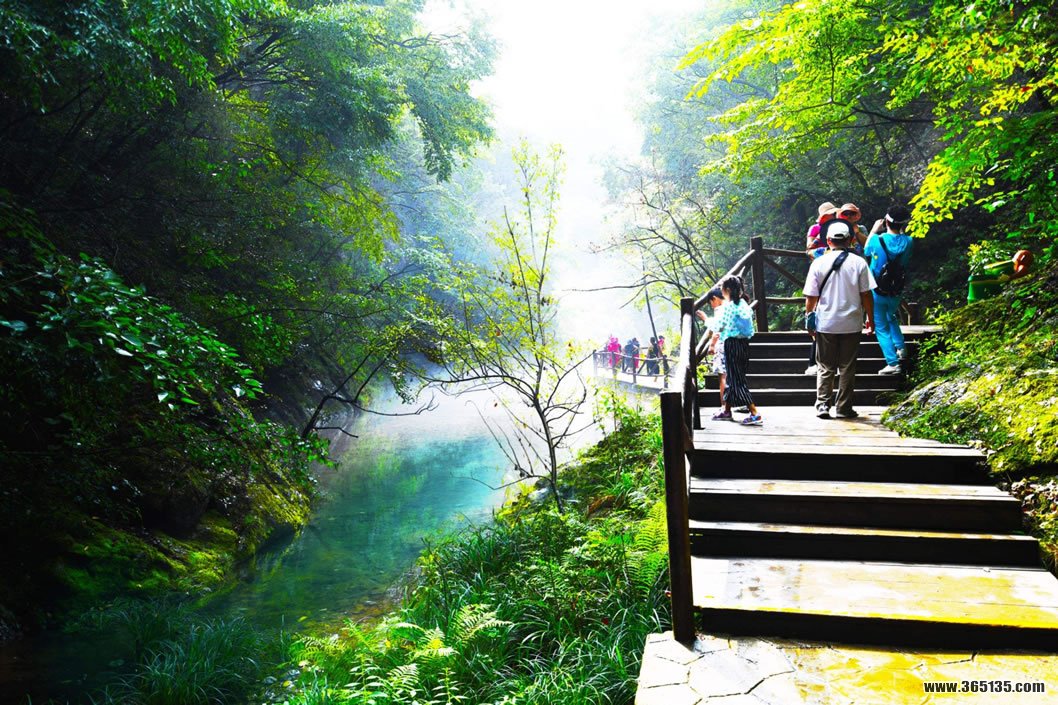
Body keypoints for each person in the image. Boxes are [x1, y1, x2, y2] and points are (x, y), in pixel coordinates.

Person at [804, 221, 875, 419]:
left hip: (826, 322)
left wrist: (809, 318)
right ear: (850, 240)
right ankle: (844, 407)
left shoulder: (818, 263)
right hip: (851, 322)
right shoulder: (859, 263)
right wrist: (870, 319)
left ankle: (822, 405)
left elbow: (811, 297)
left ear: (828, 241)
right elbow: (866, 294)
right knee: (847, 367)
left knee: (825, 366)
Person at [864, 204, 913, 375]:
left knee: (881, 327)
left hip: (877, 289)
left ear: (886, 221)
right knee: (891, 316)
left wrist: (873, 230)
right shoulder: (909, 242)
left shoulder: (877, 239)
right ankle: (901, 348)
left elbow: (866, 251)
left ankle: (892, 363)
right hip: (896, 289)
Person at [710, 276, 762, 425]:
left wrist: (705, 319)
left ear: (727, 290)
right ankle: (726, 410)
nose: (721, 292)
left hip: (732, 344)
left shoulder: (729, 307)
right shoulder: (744, 304)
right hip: (744, 344)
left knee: (736, 380)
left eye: (722, 289)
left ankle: (754, 413)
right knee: (733, 378)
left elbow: (718, 326)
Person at [695, 288, 726, 415]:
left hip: (723, 345)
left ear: (715, 298)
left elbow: (717, 328)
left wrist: (705, 318)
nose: (712, 306)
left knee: (723, 376)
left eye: (711, 303)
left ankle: (725, 407)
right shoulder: (732, 306)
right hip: (734, 344)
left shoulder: (720, 309)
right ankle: (733, 405)